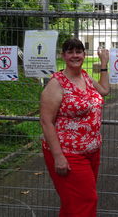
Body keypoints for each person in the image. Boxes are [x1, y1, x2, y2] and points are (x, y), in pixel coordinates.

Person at [40, 38, 110, 217]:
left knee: (74, 203)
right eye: (70, 52)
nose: (75, 55)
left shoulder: (85, 77)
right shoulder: (56, 84)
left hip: (91, 151)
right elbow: (46, 121)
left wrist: (104, 64)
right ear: (63, 56)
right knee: (86, 201)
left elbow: (104, 90)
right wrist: (58, 157)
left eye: (78, 52)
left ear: (84, 55)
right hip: (69, 154)